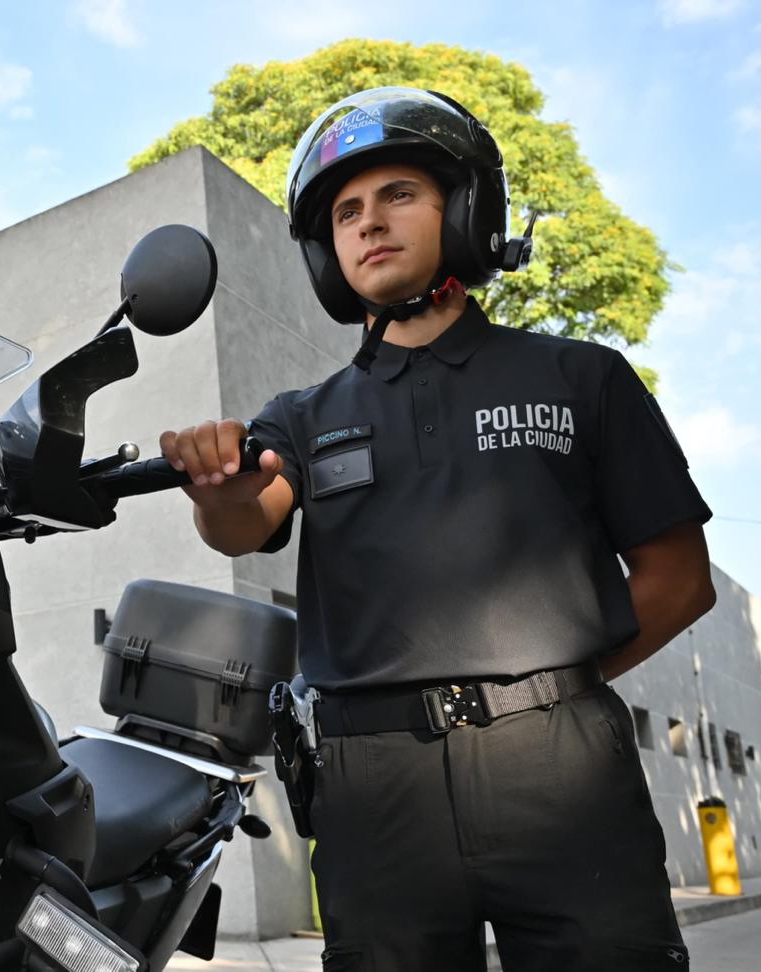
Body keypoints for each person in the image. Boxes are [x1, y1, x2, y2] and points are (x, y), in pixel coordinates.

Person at [159, 87, 714, 971]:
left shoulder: (584, 377)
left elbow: (680, 578)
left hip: (564, 769)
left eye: (398, 195)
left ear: (463, 210)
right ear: (324, 250)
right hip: (371, 786)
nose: (370, 222)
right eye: (346, 212)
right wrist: (214, 481)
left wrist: (542, 689)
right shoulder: (300, 417)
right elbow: (241, 524)